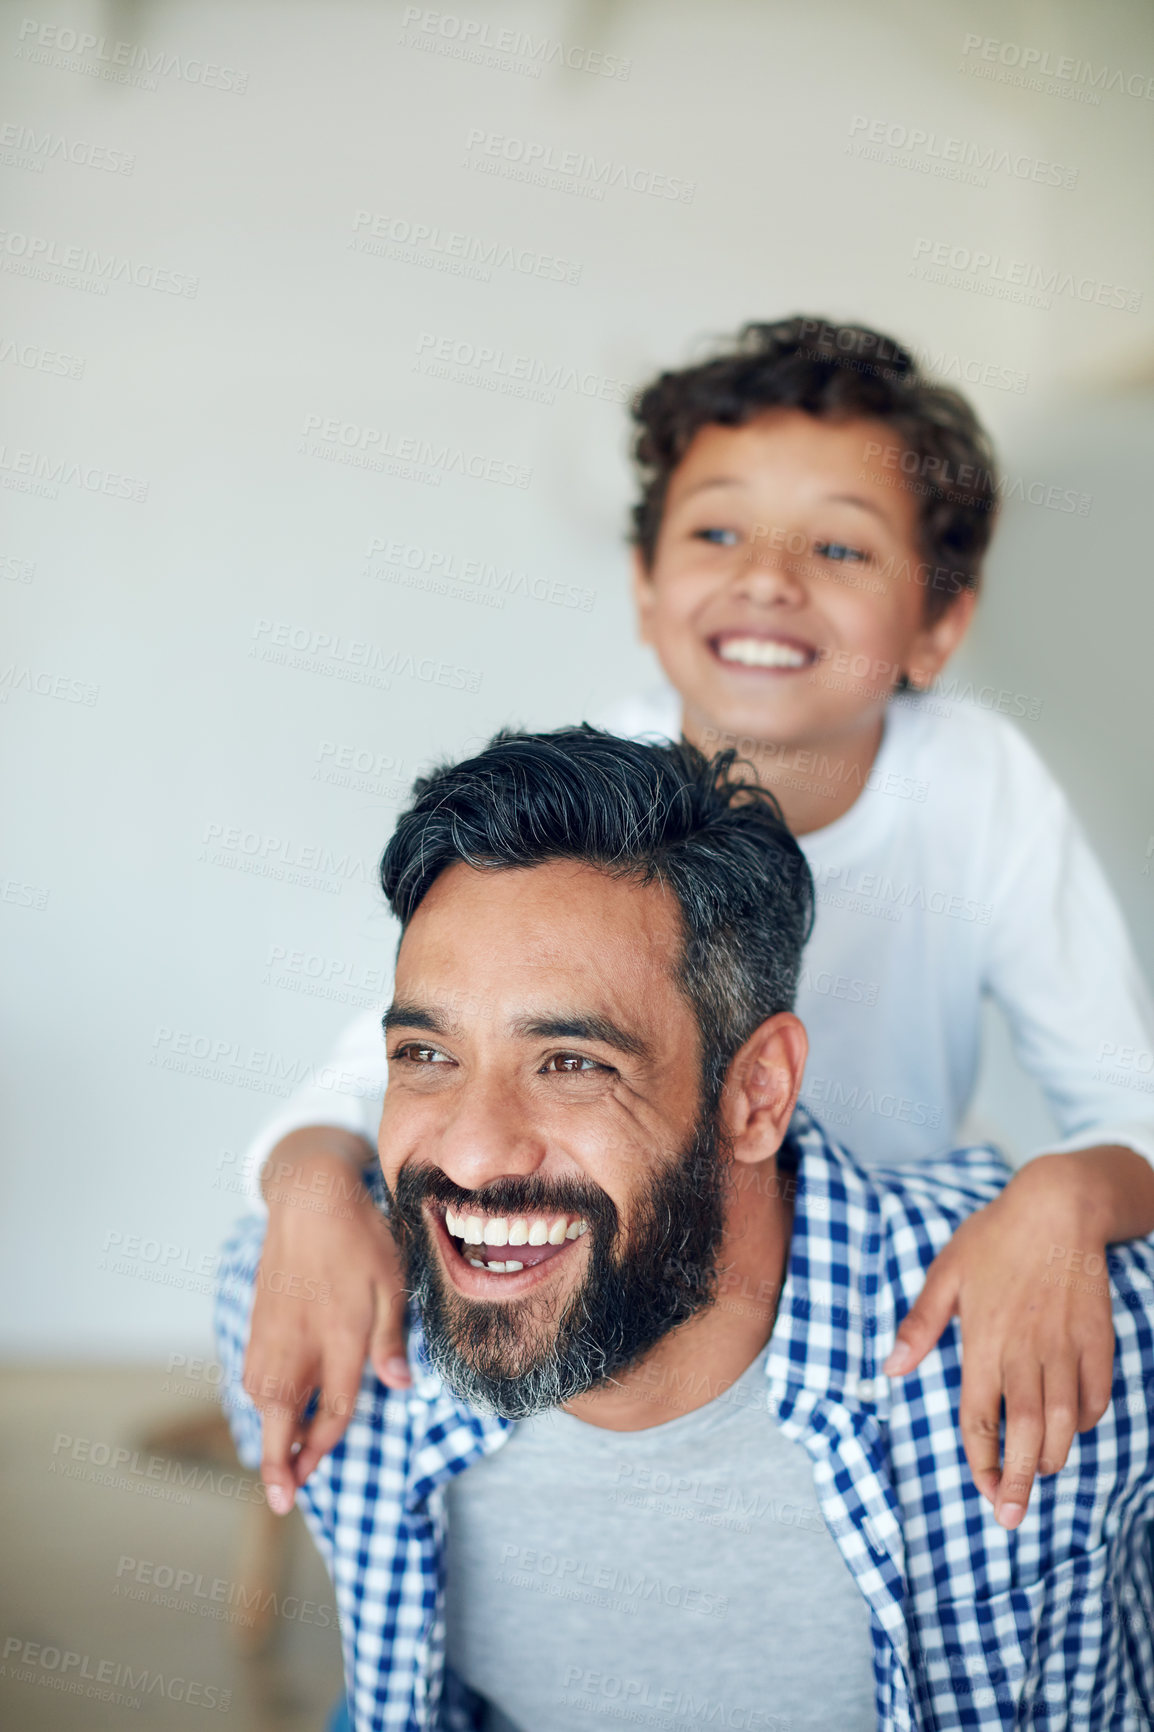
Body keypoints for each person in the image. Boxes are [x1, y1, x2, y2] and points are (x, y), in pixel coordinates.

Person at [240, 317, 1154, 1534]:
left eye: (837, 544)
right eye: (716, 530)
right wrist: (309, 1188)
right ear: (645, 587)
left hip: (869, 1308)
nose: (767, 577)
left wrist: (1058, 1198)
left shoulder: (978, 788)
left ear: (936, 625)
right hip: (643, 1303)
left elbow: (1127, 1114)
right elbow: (385, 1073)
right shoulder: (587, 806)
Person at [217, 728, 1154, 1732]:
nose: (474, 1154)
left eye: (571, 1062)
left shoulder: (1084, 1345)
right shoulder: (304, 1316)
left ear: (755, 1094)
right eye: (424, 1053)